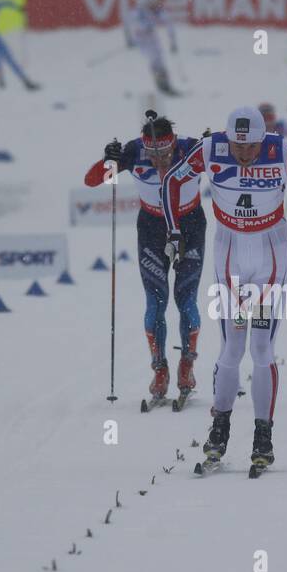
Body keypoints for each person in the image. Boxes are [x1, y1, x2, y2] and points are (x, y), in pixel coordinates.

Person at [160, 106, 287, 471]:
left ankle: (263, 434)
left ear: (262, 139)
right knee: (231, 347)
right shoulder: (212, 149)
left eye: (251, 147)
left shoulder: (281, 150)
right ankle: (220, 427)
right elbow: (171, 182)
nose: (244, 154)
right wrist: (173, 230)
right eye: (238, 147)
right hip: (230, 256)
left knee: (261, 348)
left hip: (270, 254)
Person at [84, 111, 203, 405]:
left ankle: (186, 366)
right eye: (151, 152)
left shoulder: (191, 149)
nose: (157, 158)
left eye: (163, 151)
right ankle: (159, 369)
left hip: (189, 226)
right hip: (152, 228)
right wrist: (108, 160)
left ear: (173, 143)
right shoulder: (134, 151)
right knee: (156, 301)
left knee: (186, 300)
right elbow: (92, 180)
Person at [124, 0, 180, 96]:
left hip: (153, 39)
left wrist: (173, 42)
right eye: (152, 5)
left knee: (160, 61)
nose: (155, 8)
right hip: (142, 41)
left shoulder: (157, 11)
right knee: (154, 61)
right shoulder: (139, 12)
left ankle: (165, 85)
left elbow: (169, 24)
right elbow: (130, 23)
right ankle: (161, 85)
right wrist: (129, 40)